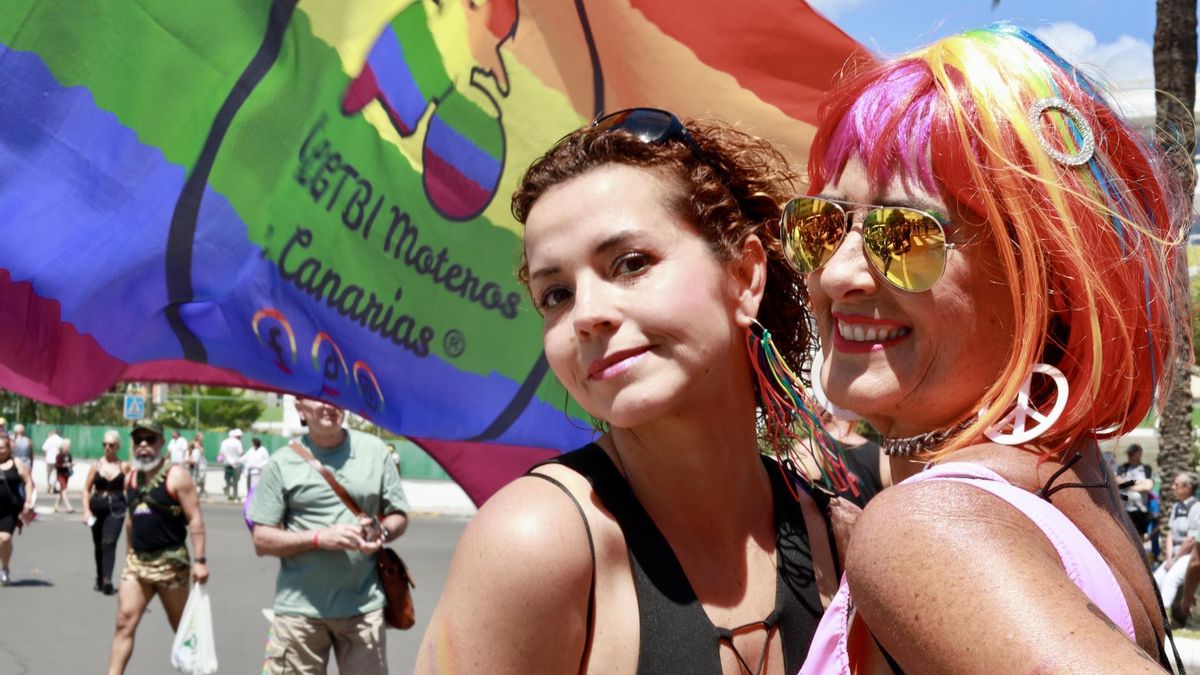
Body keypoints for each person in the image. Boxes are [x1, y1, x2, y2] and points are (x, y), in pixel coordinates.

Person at [791, 23, 1182, 672]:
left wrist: (912, 544)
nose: (837, 274)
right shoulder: (1073, 479)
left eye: (905, 234)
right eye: (822, 225)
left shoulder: (930, 526)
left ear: (1044, 279)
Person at [417, 109, 844, 673]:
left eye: (630, 263)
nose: (586, 315)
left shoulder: (841, 541)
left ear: (744, 276)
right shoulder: (533, 544)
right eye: (556, 295)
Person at [248, 397, 409, 675]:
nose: (328, 405)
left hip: (363, 609)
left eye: (335, 397)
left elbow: (398, 515)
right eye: (317, 398)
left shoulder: (374, 451)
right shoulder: (281, 463)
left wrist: (381, 531)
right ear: (300, 409)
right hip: (299, 614)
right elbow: (262, 539)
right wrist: (318, 538)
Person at [108, 424, 208, 675]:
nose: (143, 444)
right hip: (137, 564)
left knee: (182, 629)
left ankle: (196, 671)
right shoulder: (131, 478)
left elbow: (195, 518)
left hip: (170, 563)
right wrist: (128, 556)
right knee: (123, 622)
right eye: (138, 440)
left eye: (150, 439)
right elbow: (131, 520)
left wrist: (200, 560)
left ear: (161, 442)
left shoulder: (177, 477)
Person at [83, 430, 130, 595]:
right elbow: (86, 489)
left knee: (109, 542)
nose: (107, 447)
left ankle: (107, 580)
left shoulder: (124, 466)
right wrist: (86, 511)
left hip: (116, 506)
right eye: (105, 444)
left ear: (118, 446)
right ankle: (100, 577)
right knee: (98, 544)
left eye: (111, 445)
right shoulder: (96, 466)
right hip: (97, 505)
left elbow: (132, 488)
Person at [1153, 472, 1200, 617]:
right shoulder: (1176, 506)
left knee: (1170, 580)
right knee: (1155, 580)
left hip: (1189, 554)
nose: (1173, 487)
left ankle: (1162, 617)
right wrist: (1169, 557)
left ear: (1188, 488)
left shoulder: (1196, 507)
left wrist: (1175, 558)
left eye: (1177, 484)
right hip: (1174, 554)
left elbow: (1192, 539)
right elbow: (1170, 533)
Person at [0, 434, 37, 586]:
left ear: (9, 449)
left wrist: (27, 502)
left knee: (5, 539)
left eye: (2, 447)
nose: (0, 451)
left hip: (9, 510)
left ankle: (5, 568)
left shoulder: (17, 464)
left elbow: (28, 482)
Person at [1118, 444, 1155, 538]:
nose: (1129, 456)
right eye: (1128, 454)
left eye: (1132, 454)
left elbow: (1148, 486)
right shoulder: (1123, 468)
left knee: (1139, 537)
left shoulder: (1146, 469)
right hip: (1124, 509)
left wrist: (1128, 485)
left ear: (1139, 454)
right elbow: (1117, 482)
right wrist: (1138, 483)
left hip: (1140, 511)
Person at [220, 428, 244, 500]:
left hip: (227, 464)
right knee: (236, 480)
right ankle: (235, 495)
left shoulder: (224, 442)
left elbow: (221, 454)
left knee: (227, 479)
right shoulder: (238, 442)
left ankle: (228, 494)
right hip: (236, 464)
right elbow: (240, 453)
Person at [53, 438, 75, 513]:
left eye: (69, 447)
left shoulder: (68, 455)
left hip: (66, 475)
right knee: (65, 490)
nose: (68, 448)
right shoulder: (59, 455)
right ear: (62, 447)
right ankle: (69, 507)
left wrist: (72, 464)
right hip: (60, 475)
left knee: (62, 491)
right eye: (67, 446)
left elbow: (70, 462)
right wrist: (64, 465)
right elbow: (56, 465)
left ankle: (56, 505)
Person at [42, 428, 62, 494]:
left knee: (48, 473)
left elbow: (44, 448)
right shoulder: (60, 440)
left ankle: (49, 486)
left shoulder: (49, 439)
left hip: (48, 458)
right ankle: (53, 487)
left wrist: (45, 456)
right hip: (57, 459)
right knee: (55, 474)